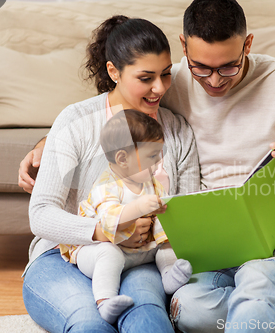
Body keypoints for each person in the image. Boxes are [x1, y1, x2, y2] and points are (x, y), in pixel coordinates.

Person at [19, 2, 275, 332]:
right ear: (184, 47)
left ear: (248, 45)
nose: (215, 81)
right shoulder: (174, 83)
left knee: (251, 283)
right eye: (201, 68)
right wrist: (48, 144)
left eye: (229, 68)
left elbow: (181, 203)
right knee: (187, 310)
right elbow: (105, 113)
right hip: (123, 244)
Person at [21, 16, 200, 333]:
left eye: (166, 75)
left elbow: (185, 214)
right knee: (90, 324)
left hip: (140, 259)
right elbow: (41, 214)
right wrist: (107, 232)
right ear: (113, 72)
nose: (159, 88)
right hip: (63, 255)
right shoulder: (77, 122)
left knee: (147, 321)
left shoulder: (177, 132)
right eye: (146, 78)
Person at [60, 109, 192, 324]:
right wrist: (138, 207)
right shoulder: (106, 185)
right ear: (122, 159)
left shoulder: (151, 183)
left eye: (159, 155)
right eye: (151, 157)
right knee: (108, 254)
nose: (158, 163)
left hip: (138, 250)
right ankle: (105, 301)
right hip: (98, 250)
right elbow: (108, 219)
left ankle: (169, 274)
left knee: (167, 243)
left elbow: (164, 219)